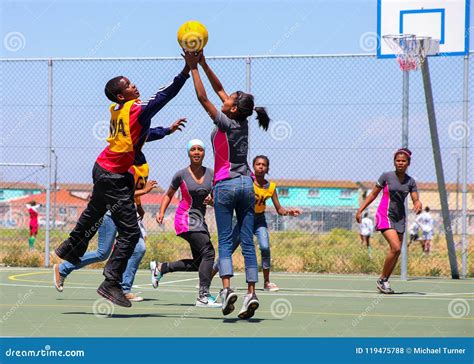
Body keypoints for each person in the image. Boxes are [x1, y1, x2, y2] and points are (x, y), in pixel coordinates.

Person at [54, 64, 189, 307]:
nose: (133, 85)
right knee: (130, 233)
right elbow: (163, 96)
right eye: (128, 85)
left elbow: (142, 133)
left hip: (102, 169)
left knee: (93, 213)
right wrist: (185, 71)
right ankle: (111, 282)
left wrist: (165, 131)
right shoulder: (134, 109)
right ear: (120, 95)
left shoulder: (119, 110)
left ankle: (70, 248)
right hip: (113, 176)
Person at [184, 50, 271, 318]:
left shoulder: (224, 121)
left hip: (225, 185)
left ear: (232, 107)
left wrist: (192, 68)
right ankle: (252, 294)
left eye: (230, 99)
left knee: (223, 240)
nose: (226, 97)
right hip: (247, 185)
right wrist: (205, 62)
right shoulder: (242, 121)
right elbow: (220, 89)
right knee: (246, 241)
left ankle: (226, 290)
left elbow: (203, 97)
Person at [212, 155, 301, 292]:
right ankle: (208, 278)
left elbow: (279, 209)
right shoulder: (247, 184)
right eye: (258, 164)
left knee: (265, 247)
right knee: (228, 248)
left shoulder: (271, 187)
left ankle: (267, 282)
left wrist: (289, 212)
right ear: (253, 167)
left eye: (263, 165)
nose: (260, 166)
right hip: (244, 220)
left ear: (267, 168)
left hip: (259, 221)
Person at [150, 139, 220, 307]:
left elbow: (216, 198)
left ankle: (161, 268)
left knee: (199, 263)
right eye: (193, 149)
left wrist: (212, 201)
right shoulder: (181, 174)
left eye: (200, 149)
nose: (196, 152)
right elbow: (168, 194)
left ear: (204, 153)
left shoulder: (212, 174)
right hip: (185, 219)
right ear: (188, 153)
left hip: (199, 221)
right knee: (209, 253)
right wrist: (161, 212)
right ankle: (203, 296)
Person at [356, 148, 422, 294]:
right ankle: (382, 280)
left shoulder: (410, 181)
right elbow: (373, 194)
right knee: (396, 247)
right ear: (394, 162)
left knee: (396, 251)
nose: (400, 163)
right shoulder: (386, 176)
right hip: (384, 215)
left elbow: (415, 197)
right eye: (397, 160)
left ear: (408, 163)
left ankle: (384, 279)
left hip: (400, 218)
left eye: (403, 161)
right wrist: (360, 209)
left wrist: (417, 203)